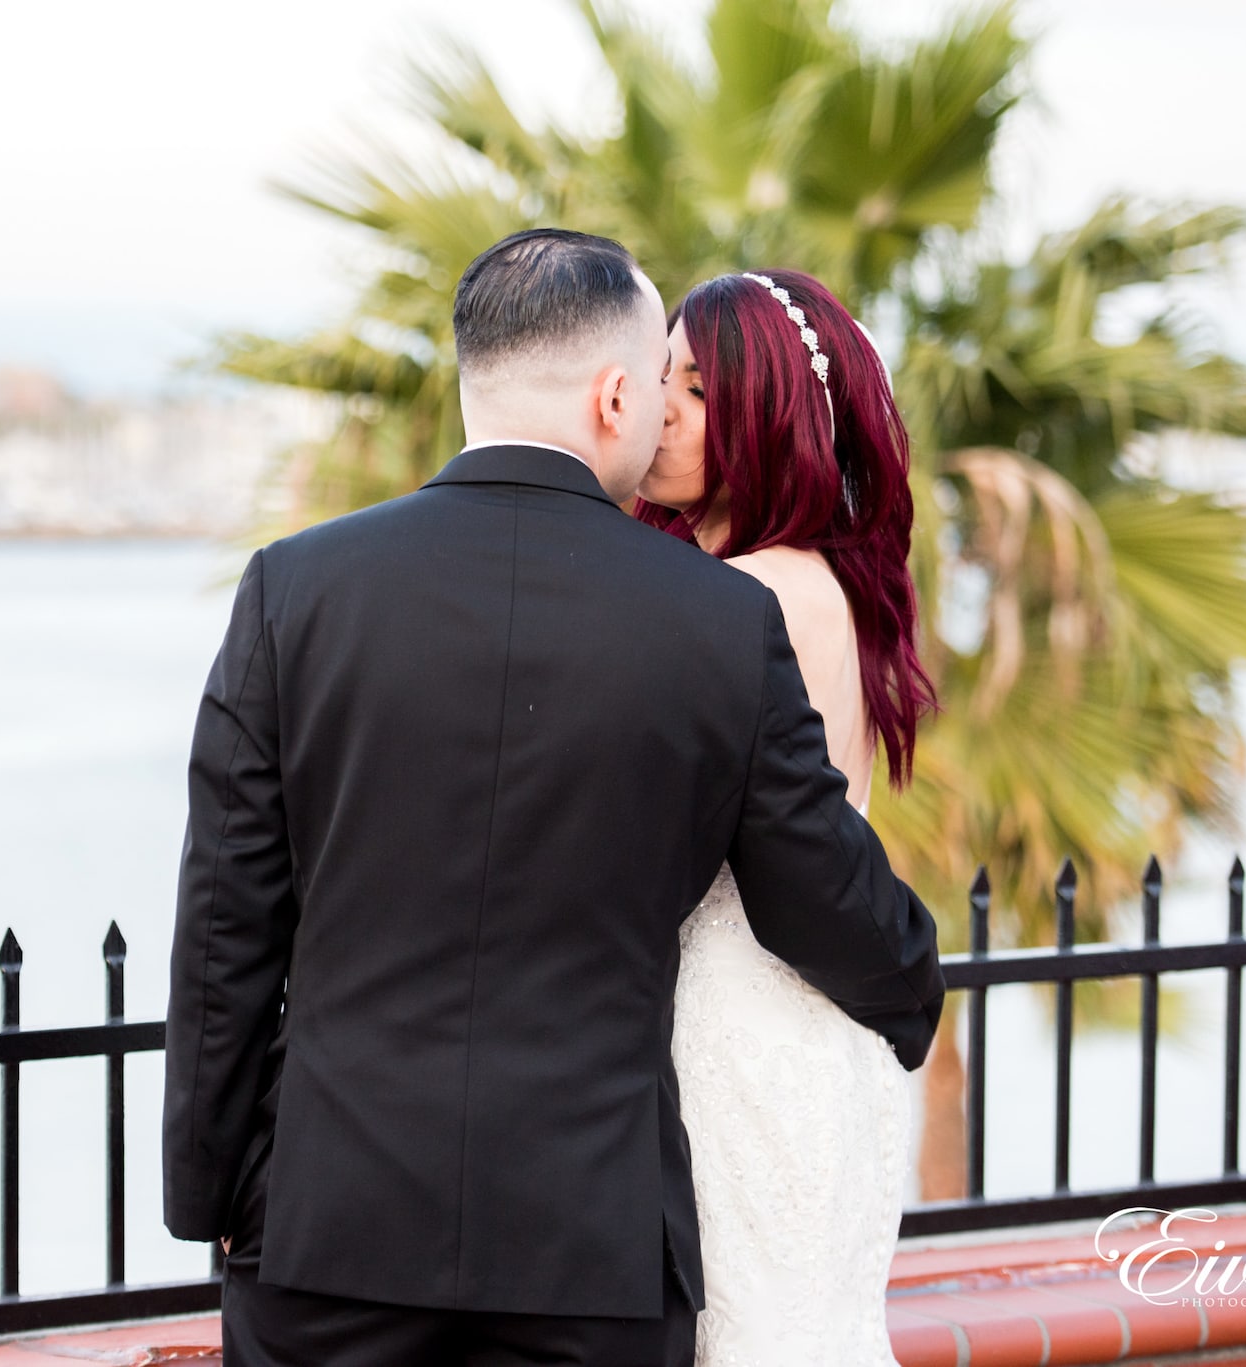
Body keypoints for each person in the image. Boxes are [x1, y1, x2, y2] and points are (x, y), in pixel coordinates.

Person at [162, 229, 945, 1367]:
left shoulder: (297, 588)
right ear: (615, 393)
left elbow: (226, 920)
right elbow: (811, 884)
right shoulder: (719, 621)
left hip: (323, 1227)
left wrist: (215, 1191)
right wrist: (911, 979)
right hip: (594, 1243)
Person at [637, 269, 942, 1365]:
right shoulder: (822, 581)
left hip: (746, 1034)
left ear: (771, 414)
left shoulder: (749, 593)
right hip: (809, 1032)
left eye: (698, 388)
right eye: (659, 371)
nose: (658, 406)